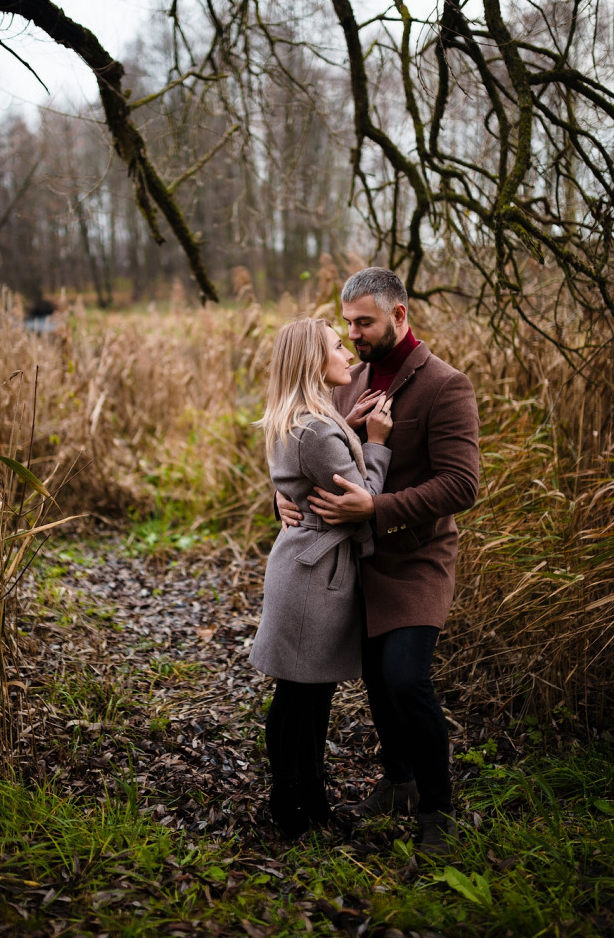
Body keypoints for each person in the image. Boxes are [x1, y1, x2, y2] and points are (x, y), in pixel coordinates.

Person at [276, 268, 480, 856]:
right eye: (347, 323)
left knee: (405, 678)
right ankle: (399, 781)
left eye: (363, 321)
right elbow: (311, 448)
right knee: (371, 673)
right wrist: (283, 497)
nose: (353, 333)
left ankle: (438, 809)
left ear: (399, 315)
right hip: (353, 559)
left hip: (416, 557)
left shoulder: (446, 385)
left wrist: (377, 506)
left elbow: (462, 485)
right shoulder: (347, 379)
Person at [249, 317, 393, 838]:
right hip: (316, 575)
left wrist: (349, 428)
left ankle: (303, 800)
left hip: (301, 565)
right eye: (337, 345)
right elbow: (361, 500)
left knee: (301, 696)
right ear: (314, 359)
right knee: (304, 699)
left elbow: (311, 475)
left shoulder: (300, 420)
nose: (348, 354)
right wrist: (375, 442)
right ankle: (294, 807)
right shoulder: (317, 429)